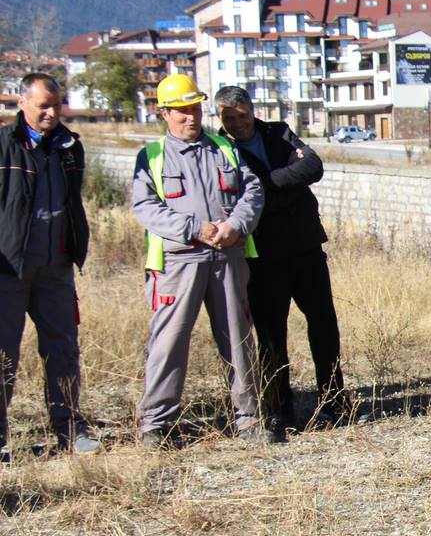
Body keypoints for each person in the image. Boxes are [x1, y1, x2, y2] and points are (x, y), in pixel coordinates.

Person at [130, 74, 269, 446]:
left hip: (227, 259)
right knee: (169, 342)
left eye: (194, 109)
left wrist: (237, 224)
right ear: (163, 114)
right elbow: (145, 207)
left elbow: (252, 190)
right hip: (179, 263)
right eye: (181, 112)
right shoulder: (152, 156)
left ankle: (249, 418)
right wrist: (194, 228)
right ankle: (156, 425)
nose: (190, 118)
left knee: (238, 339)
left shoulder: (225, 147)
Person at [213, 86, 357, 431]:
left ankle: (334, 400)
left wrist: (261, 185)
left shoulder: (278, 132)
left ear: (252, 110)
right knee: (271, 334)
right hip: (261, 255)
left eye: (242, 115)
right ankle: (280, 406)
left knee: (324, 324)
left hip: (305, 246)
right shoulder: (218, 148)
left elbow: (313, 167)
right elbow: (237, 197)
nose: (237, 124)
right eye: (229, 118)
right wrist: (284, 183)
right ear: (220, 119)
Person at [0, 73, 98, 462]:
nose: (51, 113)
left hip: (55, 269)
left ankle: (69, 429)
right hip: (4, 269)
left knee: (63, 350)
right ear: (22, 103)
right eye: (42, 106)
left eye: (56, 105)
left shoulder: (69, 147)